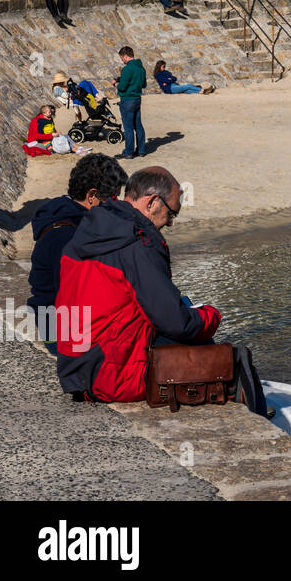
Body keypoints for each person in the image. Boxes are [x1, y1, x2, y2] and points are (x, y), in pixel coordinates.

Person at [54, 167, 223, 404]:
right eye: (171, 213)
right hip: (111, 376)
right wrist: (211, 316)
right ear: (153, 202)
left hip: (74, 366)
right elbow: (176, 322)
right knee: (221, 358)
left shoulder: (91, 228)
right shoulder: (137, 242)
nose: (171, 223)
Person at [27, 154, 128, 336]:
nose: (115, 204)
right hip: (60, 330)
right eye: (112, 197)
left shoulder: (62, 215)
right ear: (91, 196)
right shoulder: (67, 237)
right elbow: (73, 300)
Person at [113, 45, 147, 160]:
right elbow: (144, 85)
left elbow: (122, 87)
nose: (122, 60)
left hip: (127, 99)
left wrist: (116, 83)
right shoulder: (141, 68)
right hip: (137, 98)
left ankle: (129, 151)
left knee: (128, 127)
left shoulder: (127, 69)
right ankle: (141, 150)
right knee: (138, 126)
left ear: (125, 56)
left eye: (122, 58)